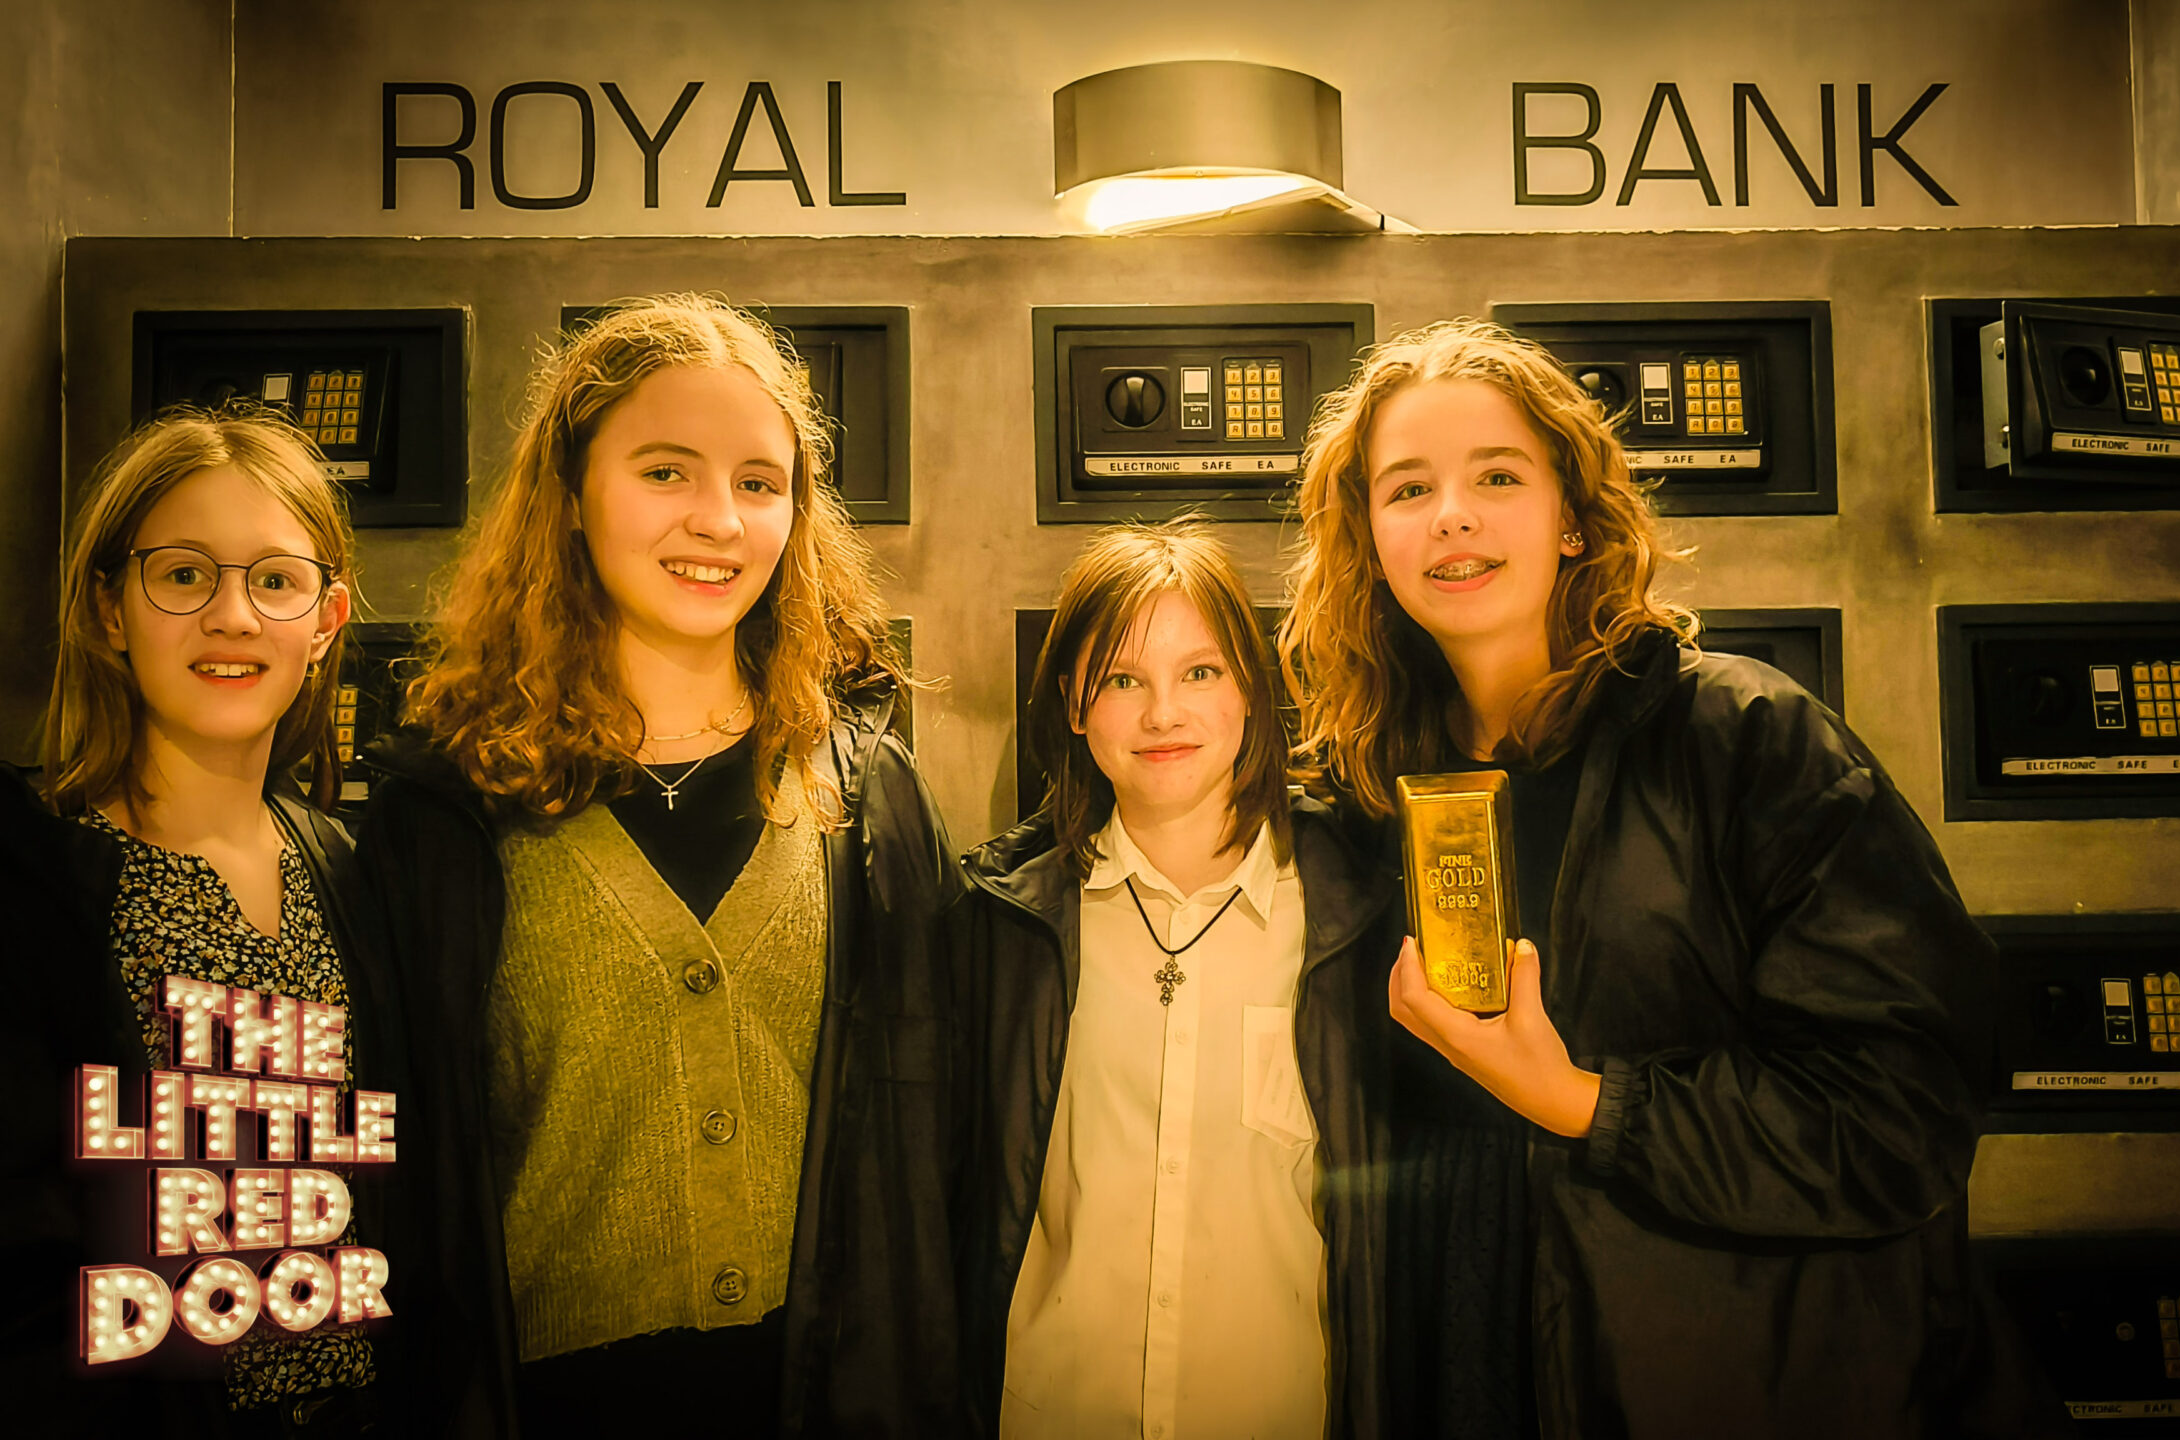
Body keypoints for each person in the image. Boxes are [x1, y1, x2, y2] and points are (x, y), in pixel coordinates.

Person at [1277, 319, 2052, 1438]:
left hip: (1732, 1378)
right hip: (1453, 1349)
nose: (1451, 513)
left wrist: (1585, 1103)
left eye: (1497, 476)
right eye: (1408, 489)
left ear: (1574, 520)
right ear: (1370, 543)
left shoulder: (1745, 739)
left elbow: (1902, 1117)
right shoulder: (1359, 793)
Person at [358, 295, 959, 1438]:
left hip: (826, 1401)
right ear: (571, 493)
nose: (718, 520)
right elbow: (409, 1182)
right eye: (666, 471)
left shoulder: (869, 795)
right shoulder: (445, 811)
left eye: (758, 482)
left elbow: (934, 1158)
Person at [0, 407, 400, 1436]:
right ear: (109, 609)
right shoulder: (33, 882)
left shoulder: (358, 876)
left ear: (326, 620)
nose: (232, 616)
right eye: (183, 575)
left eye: (275, 580)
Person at [949, 520, 1392, 1439]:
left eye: (1199, 672)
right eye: (1122, 680)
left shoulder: (1354, 920)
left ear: (1249, 690)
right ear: (1074, 704)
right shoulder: (1001, 928)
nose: (1163, 714)